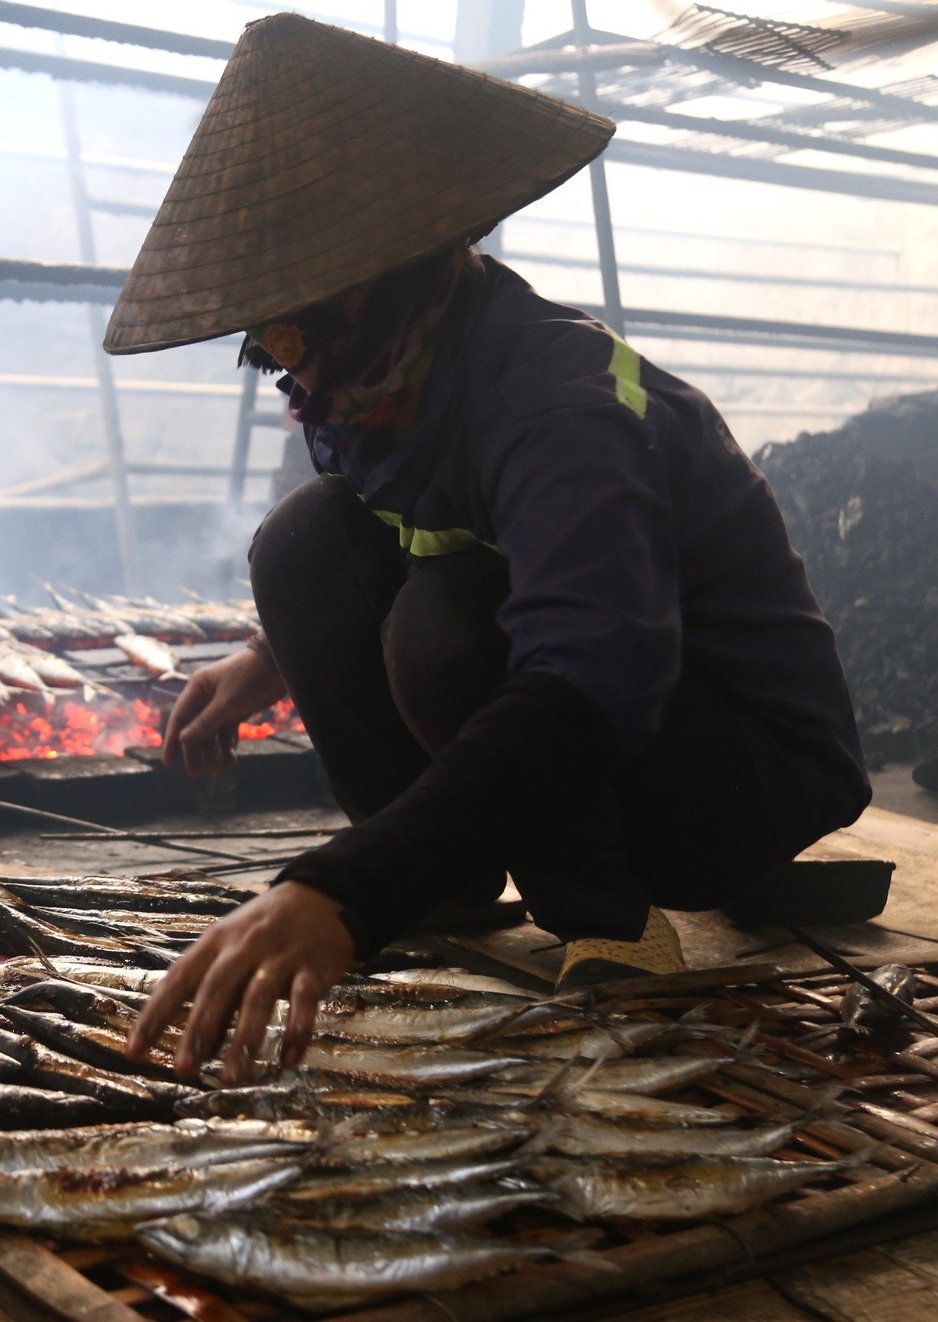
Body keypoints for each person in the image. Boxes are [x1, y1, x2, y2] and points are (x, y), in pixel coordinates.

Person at [102, 15, 872, 1086]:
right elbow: (383, 528)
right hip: (617, 727)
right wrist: (268, 658)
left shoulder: (558, 409)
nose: (294, 377)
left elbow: (587, 679)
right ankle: (447, 884)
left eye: (299, 334)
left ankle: (610, 928)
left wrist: (338, 888)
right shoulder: (385, 377)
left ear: (392, 275)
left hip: (737, 773)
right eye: (267, 348)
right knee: (301, 544)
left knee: (445, 622)